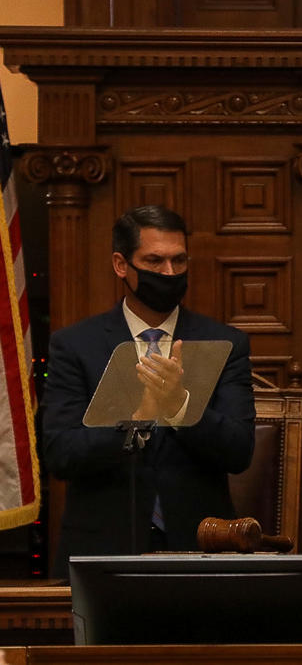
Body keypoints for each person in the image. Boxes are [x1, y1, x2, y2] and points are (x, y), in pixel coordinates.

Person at [41, 205, 255, 578]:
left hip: (201, 545)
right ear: (122, 265)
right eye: (155, 261)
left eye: (179, 260)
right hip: (102, 548)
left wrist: (180, 407)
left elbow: (238, 450)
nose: (169, 273)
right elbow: (61, 453)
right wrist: (136, 421)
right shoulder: (75, 345)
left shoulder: (224, 343)